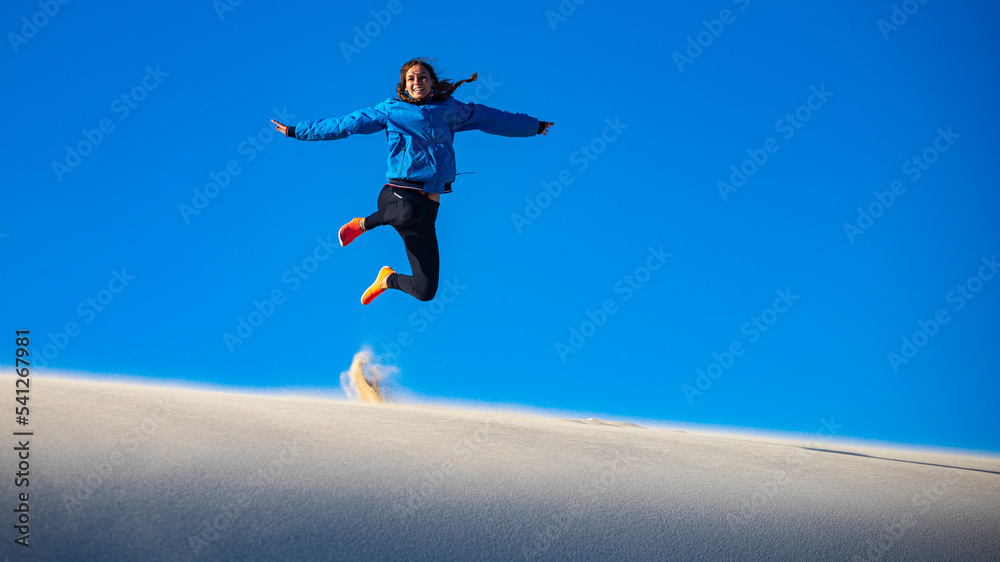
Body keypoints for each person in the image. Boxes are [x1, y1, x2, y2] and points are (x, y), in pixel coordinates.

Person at [272, 58, 553, 305]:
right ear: (404, 85)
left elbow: (493, 118)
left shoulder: (450, 109)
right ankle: (361, 223)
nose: (417, 81)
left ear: (432, 82)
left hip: (428, 208)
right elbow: (348, 123)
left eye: (422, 77)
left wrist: (534, 126)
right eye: (411, 79)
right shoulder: (391, 110)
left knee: (425, 290)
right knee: (410, 210)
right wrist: (299, 131)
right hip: (397, 195)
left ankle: (387, 280)